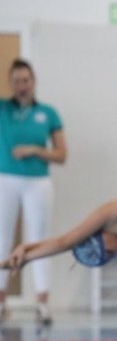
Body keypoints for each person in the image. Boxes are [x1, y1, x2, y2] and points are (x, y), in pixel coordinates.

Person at [0, 59, 67, 324]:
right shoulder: (3, 109)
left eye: (26, 80)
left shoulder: (48, 113)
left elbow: (62, 155)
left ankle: (42, 303)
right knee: (2, 238)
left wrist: (35, 150)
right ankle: (1, 301)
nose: (22, 86)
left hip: (38, 181)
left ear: (33, 81)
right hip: (6, 179)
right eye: (16, 81)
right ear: (11, 84)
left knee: (38, 239)